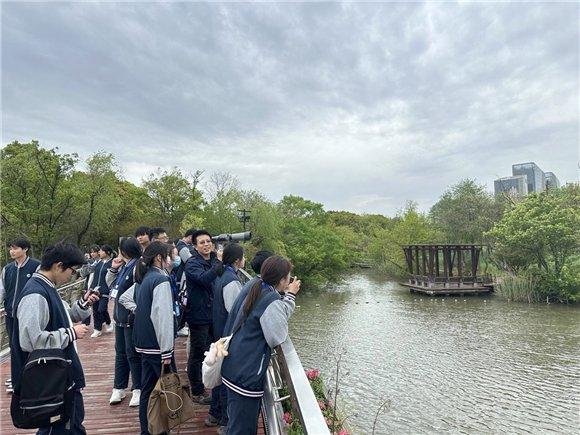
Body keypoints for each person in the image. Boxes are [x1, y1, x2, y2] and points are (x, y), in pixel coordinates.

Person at [11, 241, 99, 435]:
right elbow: (30, 340)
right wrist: (70, 334)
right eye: (73, 271)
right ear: (59, 266)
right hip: (51, 382)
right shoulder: (35, 293)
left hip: (61, 376)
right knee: (59, 429)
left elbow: (63, 316)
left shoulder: (46, 286)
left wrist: (83, 305)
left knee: (71, 425)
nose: (73, 276)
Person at [221, 256, 300, 435]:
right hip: (245, 374)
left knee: (235, 424)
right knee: (242, 429)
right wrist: (291, 296)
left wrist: (287, 297)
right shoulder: (271, 298)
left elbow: (272, 316)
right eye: (288, 277)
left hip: (235, 366)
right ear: (282, 280)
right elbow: (277, 336)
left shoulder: (259, 287)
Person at [131, 242, 175, 435]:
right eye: (168, 255)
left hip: (143, 344)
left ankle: (147, 430)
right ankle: (158, 429)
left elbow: (126, 298)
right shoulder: (160, 280)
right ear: (159, 257)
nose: (171, 259)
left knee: (148, 390)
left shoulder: (146, 277)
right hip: (157, 346)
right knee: (164, 391)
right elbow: (163, 318)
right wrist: (167, 351)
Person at [206, 244, 245, 431]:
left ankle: (214, 414)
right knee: (224, 378)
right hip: (226, 337)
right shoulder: (231, 280)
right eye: (243, 257)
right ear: (238, 261)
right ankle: (223, 420)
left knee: (219, 375)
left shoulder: (225, 275)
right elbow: (235, 312)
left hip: (219, 332)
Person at [184, 229, 223, 404]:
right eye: (202, 242)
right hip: (198, 315)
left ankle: (212, 384)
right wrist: (218, 263)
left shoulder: (214, 260)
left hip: (213, 314)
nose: (206, 245)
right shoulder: (192, 264)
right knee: (197, 353)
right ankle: (197, 391)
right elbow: (204, 279)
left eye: (208, 241)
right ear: (195, 246)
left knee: (214, 350)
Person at [0, 237, 41, 393]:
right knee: (14, 347)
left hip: (28, 315)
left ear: (25, 249)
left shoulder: (36, 266)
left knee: (29, 346)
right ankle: (17, 381)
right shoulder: (7, 269)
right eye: (11, 248)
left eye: (16, 248)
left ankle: (32, 379)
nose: (12, 251)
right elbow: (2, 290)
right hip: (10, 314)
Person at [106, 237, 142, 407]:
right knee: (120, 353)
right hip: (119, 317)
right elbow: (111, 286)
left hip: (130, 318)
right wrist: (113, 269)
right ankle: (118, 387)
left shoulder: (138, 267)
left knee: (132, 354)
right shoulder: (123, 267)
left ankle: (138, 388)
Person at [89, 245, 114, 338]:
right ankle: (97, 329)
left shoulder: (111, 263)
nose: (100, 252)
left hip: (105, 291)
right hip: (95, 290)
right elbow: (95, 276)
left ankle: (108, 322)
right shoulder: (99, 263)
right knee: (95, 310)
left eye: (102, 251)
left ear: (107, 252)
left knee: (102, 309)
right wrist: (91, 288)